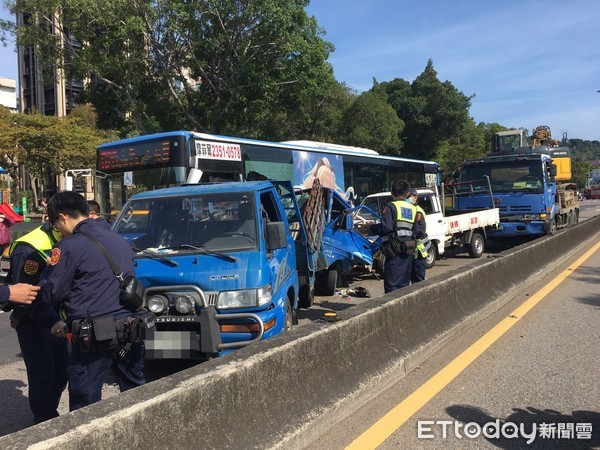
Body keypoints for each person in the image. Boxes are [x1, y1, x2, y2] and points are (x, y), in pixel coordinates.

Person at [39, 191, 145, 411]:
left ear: (62, 217)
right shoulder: (117, 238)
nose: (58, 230)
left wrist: (49, 272)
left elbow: (51, 293)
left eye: (56, 225)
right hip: (128, 328)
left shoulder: (69, 247)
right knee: (136, 392)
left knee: (85, 401)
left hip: (94, 337)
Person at [6, 221, 68, 424]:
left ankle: (49, 412)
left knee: (61, 371)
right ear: (61, 220)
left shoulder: (64, 239)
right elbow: (26, 296)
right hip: (34, 322)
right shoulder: (29, 247)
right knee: (42, 376)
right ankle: (44, 421)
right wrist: (52, 321)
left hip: (58, 319)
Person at [361, 180, 422, 293]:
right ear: (407, 194)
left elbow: (386, 228)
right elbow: (416, 230)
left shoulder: (391, 207)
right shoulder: (413, 209)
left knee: (392, 286)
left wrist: (371, 227)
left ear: (392, 192)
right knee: (404, 285)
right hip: (408, 252)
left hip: (394, 252)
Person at [408, 189, 431, 283]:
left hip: (420, 249)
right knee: (413, 276)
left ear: (415, 197)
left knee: (418, 277)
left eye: (409, 197)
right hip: (415, 249)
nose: (407, 199)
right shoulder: (413, 209)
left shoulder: (417, 211)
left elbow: (415, 230)